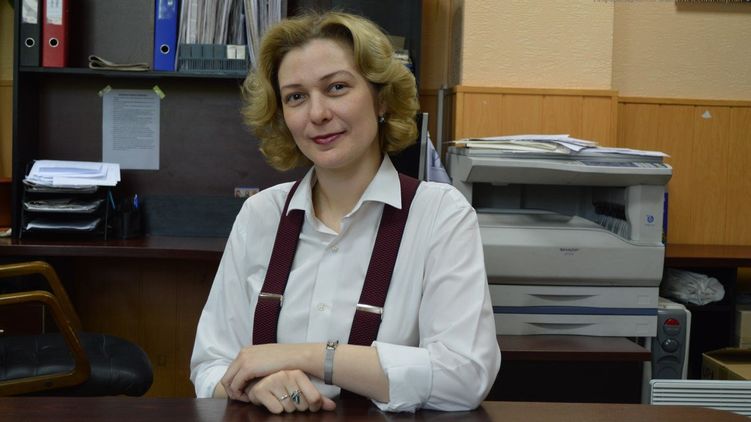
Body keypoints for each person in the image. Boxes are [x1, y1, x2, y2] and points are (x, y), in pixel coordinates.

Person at [190, 11, 501, 414]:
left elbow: (465, 376)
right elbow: (210, 367)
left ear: (381, 98)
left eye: (336, 87)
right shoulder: (260, 215)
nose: (317, 113)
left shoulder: (440, 215)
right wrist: (254, 386)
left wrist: (308, 356)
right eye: (296, 97)